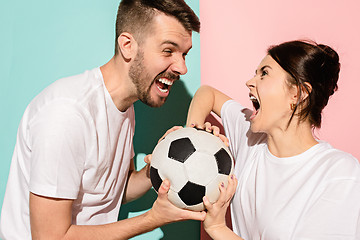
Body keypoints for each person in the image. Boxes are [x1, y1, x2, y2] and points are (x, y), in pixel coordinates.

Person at [0, 0, 206, 239]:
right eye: (168, 51)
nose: (182, 67)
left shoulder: (125, 108)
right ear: (127, 46)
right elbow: (49, 237)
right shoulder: (66, 116)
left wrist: (161, 165)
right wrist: (152, 219)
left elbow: (113, 191)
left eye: (185, 54)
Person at [186, 40, 360, 240]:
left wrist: (218, 228)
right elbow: (207, 93)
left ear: (297, 93)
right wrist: (193, 135)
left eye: (264, 73)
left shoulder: (340, 173)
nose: (250, 82)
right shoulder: (251, 139)